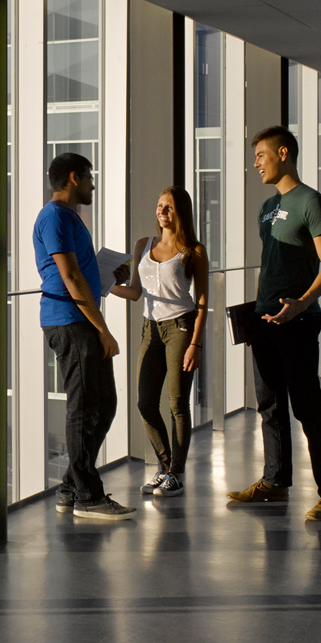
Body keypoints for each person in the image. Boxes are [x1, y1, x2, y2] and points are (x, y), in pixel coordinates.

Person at [228, 126, 321, 521]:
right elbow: (272, 265)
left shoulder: (312, 202)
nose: (256, 163)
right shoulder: (266, 207)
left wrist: (302, 304)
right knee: (269, 406)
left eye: (261, 155)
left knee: (307, 407)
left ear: (283, 153)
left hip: (297, 321)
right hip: (263, 320)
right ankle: (275, 483)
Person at [36, 153, 135, 521]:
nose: (93, 185)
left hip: (80, 320)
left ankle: (70, 486)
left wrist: (109, 276)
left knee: (104, 404)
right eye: (90, 178)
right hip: (71, 322)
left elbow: (83, 274)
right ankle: (88, 497)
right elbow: (70, 278)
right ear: (75, 178)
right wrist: (103, 329)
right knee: (82, 408)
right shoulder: (55, 218)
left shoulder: (68, 218)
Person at [108, 187, 208, 498]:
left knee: (177, 403)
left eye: (169, 207)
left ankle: (177, 472)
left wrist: (196, 344)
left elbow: (202, 300)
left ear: (181, 212)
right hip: (149, 328)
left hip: (181, 326)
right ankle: (165, 467)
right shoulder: (143, 245)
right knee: (145, 402)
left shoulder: (193, 250)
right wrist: (105, 285)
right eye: (159, 205)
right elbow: (136, 291)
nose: (162, 211)